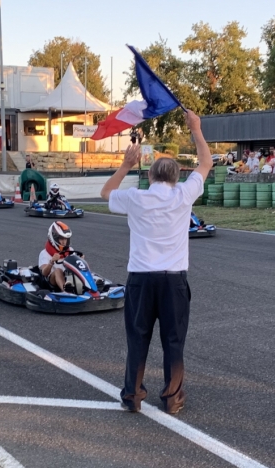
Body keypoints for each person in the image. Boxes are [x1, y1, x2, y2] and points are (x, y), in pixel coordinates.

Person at [100, 108, 211, 415]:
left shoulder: (136, 197)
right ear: (176, 178)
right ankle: (172, 398)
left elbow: (105, 192)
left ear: (149, 176)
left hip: (141, 277)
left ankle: (133, 396)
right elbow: (205, 163)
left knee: (138, 339)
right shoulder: (183, 195)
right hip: (173, 278)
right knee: (173, 341)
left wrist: (125, 165)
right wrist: (196, 129)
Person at [38, 221, 81, 293]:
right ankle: (66, 291)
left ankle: (92, 286)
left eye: (65, 239)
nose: (64, 242)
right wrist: (51, 262)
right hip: (51, 282)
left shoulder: (70, 250)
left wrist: (80, 259)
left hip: (67, 276)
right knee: (58, 270)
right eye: (61, 239)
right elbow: (44, 273)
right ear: (54, 238)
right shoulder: (44, 253)